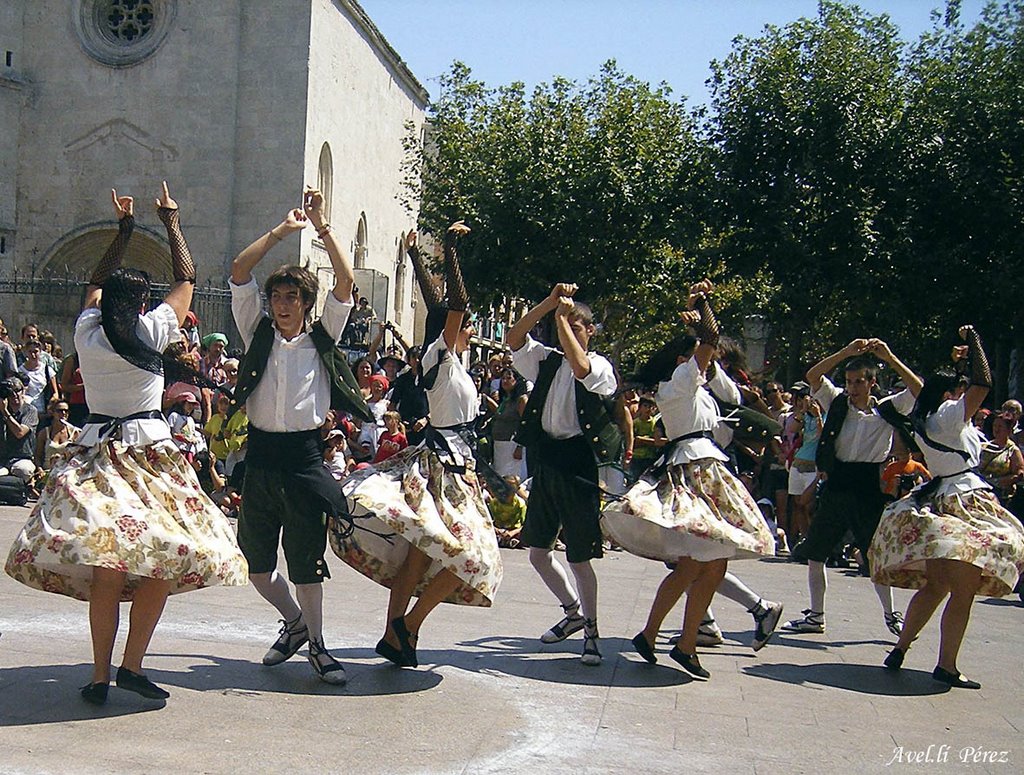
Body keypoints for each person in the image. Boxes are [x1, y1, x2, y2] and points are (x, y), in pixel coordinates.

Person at [5, 184, 247, 705]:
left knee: (107, 572)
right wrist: (171, 221)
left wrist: (123, 230)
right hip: (149, 453)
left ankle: (99, 675)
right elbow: (187, 277)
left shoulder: (86, 332)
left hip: (96, 452)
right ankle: (133, 666)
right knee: (164, 558)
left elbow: (94, 283)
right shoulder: (154, 329)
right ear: (141, 302)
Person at [333, 222, 502, 668]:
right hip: (443, 464)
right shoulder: (440, 358)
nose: (465, 322)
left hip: (454, 464)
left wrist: (413, 256)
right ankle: (409, 626)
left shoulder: (453, 361)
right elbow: (454, 304)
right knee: (472, 556)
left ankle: (396, 633)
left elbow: (439, 304)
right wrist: (449, 249)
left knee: (418, 548)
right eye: (461, 322)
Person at [228, 187, 371, 685]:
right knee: (257, 567)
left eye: (292, 297)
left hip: (306, 459)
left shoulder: (323, 336)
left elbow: (346, 283)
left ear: (307, 304)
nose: (283, 304)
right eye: (278, 297)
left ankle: (319, 647)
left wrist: (323, 226)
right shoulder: (257, 331)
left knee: (308, 564)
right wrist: (284, 231)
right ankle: (293, 624)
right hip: (263, 458)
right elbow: (239, 271)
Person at [602, 282, 775, 678]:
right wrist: (702, 307)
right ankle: (684, 643)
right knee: (706, 562)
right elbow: (711, 340)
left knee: (696, 565)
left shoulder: (696, 385)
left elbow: (731, 394)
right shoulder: (680, 380)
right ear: (683, 358)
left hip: (701, 466)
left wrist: (701, 325)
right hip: (696, 469)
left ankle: (655, 636)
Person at [870, 327, 1024, 688]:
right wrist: (976, 342)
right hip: (964, 500)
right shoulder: (949, 416)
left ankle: (901, 647)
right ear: (949, 394)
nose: (963, 394)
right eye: (957, 390)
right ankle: (947, 665)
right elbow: (983, 384)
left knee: (937, 586)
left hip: (939, 501)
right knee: (964, 588)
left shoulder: (926, 419)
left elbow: (922, 387)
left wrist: (956, 359)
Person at [507, 282, 620, 666]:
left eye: (577, 326)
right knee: (537, 552)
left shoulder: (600, 365)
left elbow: (582, 367)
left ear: (589, 331)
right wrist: (549, 304)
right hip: (548, 458)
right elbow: (514, 337)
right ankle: (572, 611)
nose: (567, 332)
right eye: (565, 326)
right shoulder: (546, 360)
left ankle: (591, 629)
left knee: (579, 555)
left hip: (578, 462)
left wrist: (563, 324)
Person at [783, 340, 919, 637]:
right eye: (849, 381)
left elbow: (918, 389)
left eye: (859, 382)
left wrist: (890, 356)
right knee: (816, 551)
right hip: (839, 480)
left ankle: (890, 615)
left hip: (868, 484)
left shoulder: (887, 408)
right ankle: (816, 615)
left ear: (872, 382)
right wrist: (846, 352)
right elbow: (813, 376)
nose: (853, 387)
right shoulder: (838, 402)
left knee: (875, 553)